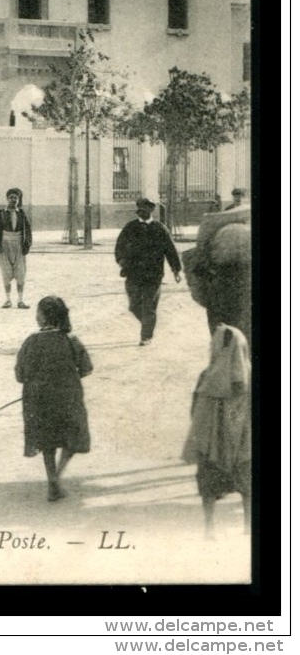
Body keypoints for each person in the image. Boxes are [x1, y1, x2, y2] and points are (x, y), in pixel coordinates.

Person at [15, 296, 93, 502]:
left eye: (38, 313)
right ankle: (58, 475)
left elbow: (20, 375)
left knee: (47, 441)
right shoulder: (71, 340)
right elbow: (86, 368)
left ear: (43, 317)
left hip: (38, 399)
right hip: (68, 397)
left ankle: (51, 478)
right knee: (72, 436)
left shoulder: (30, 342)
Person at [182, 323, 251, 538]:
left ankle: (209, 528)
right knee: (247, 484)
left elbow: (195, 410)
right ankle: (248, 527)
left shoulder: (207, 376)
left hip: (212, 444)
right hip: (243, 444)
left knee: (209, 486)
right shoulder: (250, 376)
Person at [114, 197, 182, 346]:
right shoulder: (130, 227)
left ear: (152, 210)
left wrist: (176, 269)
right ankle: (148, 323)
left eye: (145, 209)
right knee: (134, 306)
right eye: (139, 209)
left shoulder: (160, 228)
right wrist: (121, 261)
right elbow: (119, 246)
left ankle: (146, 336)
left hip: (154, 274)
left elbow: (170, 250)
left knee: (149, 306)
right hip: (133, 273)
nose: (141, 212)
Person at [0, 187, 33, 309]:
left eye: (16, 197)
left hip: (19, 246)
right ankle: (8, 300)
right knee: (6, 272)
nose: (13, 200)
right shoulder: (1, 214)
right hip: (4, 246)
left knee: (20, 273)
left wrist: (27, 244)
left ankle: (20, 300)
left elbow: (28, 231)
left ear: (18, 199)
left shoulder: (22, 214)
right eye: (11, 197)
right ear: (7, 199)